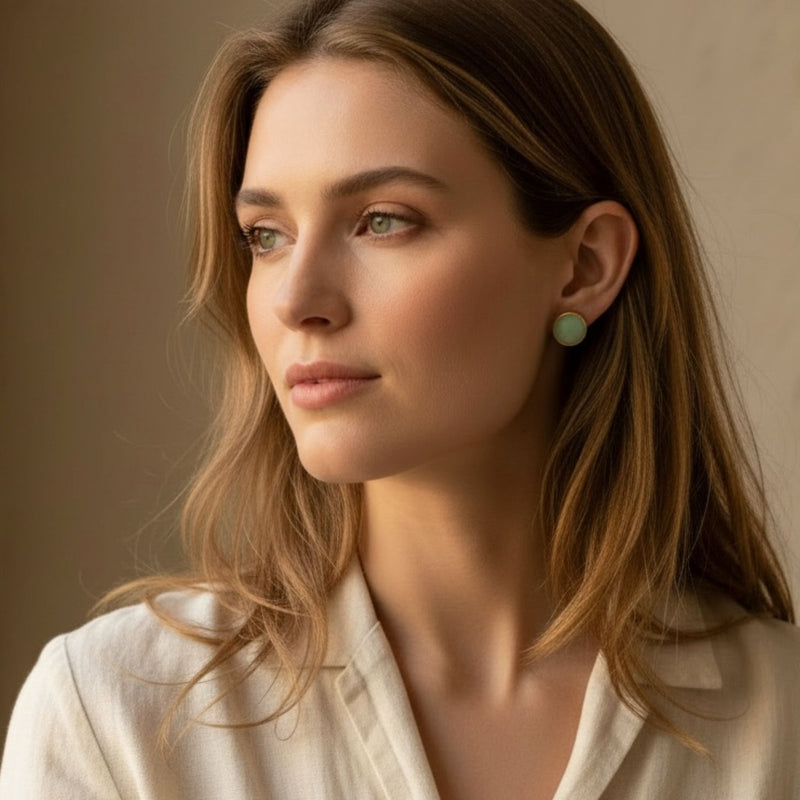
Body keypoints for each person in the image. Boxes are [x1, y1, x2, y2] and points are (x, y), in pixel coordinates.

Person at [2, 0, 798, 797]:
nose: (297, 300)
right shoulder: (117, 718)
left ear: (585, 266)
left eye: (382, 221)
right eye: (266, 236)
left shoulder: (781, 725)